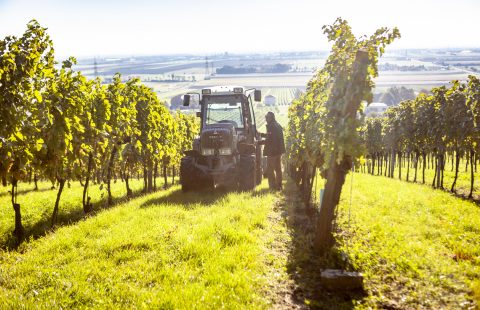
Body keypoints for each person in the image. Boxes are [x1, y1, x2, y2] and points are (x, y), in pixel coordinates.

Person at [260, 112, 285, 190]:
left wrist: (258, 142)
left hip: (272, 152)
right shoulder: (277, 125)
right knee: (278, 169)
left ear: (271, 118)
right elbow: (271, 135)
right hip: (278, 151)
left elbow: (269, 140)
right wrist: (261, 134)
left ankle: (273, 187)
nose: (266, 119)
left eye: (267, 117)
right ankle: (279, 186)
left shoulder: (271, 126)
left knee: (270, 170)